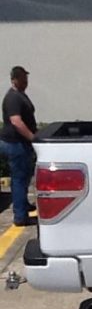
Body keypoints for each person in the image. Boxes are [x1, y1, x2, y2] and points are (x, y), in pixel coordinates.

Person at [1, 66, 37, 227]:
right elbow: (16, 121)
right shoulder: (13, 98)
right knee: (19, 179)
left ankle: (23, 204)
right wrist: (32, 137)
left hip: (21, 144)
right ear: (14, 80)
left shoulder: (20, 95)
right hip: (15, 143)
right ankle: (20, 216)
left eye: (26, 78)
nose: (25, 81)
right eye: (22, 78)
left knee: (24, 177)